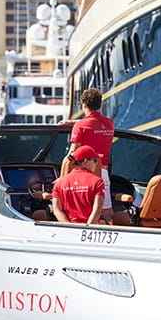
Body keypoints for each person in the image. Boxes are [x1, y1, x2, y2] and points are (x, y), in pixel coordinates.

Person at [65, 88, 115, 223]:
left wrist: (62, 177)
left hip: (84, 175)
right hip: (103, 172)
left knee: (77, 211)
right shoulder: (109, 123)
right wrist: (74, 123)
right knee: (106, 213)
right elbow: (95, 123)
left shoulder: (81, 126)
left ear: (84, 105)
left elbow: (73, 154)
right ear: (100, 105)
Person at [52, 145, 105, 225]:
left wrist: (69, 227)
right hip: (91, 230)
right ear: (85, 161)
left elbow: (57, 210)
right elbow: (97, 211)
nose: (97, 163)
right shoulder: (97, 182)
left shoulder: (59, 183)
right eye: (95, 160)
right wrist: (87, 228)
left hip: (69, 230)